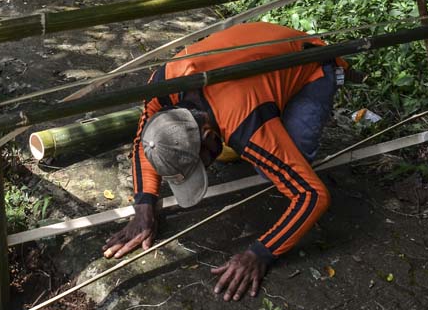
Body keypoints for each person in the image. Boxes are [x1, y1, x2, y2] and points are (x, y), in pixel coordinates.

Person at [103, 22, 353, 302]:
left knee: (270, 170)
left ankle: (295, 106)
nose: (204, 169)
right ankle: (274, 110)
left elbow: (311, 196)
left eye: (201, 164)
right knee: (255, 145)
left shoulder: (245, 124)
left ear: (208, 134)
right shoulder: (164, 85)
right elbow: (144, 142)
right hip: (260, 55)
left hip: (312, 63)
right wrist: (144, 205)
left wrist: (259, 253)